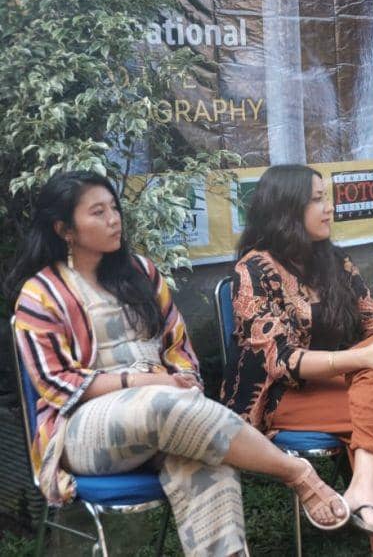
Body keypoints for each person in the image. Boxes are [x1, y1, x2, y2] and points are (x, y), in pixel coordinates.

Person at [9, 171, 349, 557]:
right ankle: (298, 474)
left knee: (208, 461)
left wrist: (181, 381)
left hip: (168, 415)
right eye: (98, 212)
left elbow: (179, 350)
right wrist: (144, 383)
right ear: (64, 229)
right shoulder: (40, 294)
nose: (113, 219)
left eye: (115, 209)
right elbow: (55, 383)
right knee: (161, 405)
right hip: (80, 431)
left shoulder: (142, 273)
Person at [220, 165, 373, 556]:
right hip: (282, 396)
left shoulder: (335, 260)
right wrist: (365, 358)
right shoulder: (253, 270)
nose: (328, 208)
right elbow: (280, 360)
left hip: (342, 385)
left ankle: (364, 491)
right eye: (316, 199)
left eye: (326, 197)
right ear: (286, 208)